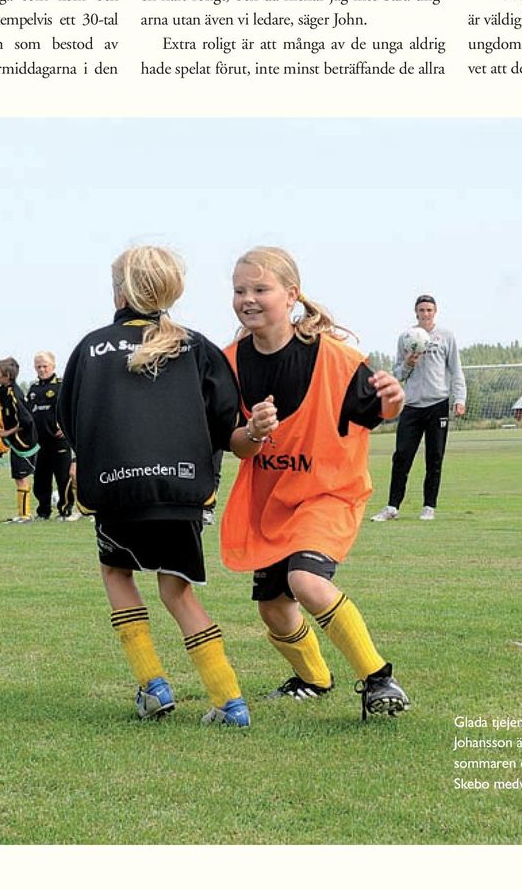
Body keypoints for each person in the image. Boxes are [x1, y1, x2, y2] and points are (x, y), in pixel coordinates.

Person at [57, 245, 249, 727]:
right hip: (182, 494)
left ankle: (153, 685)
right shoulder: (196, 346)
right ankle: (230, 702)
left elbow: (70, 418)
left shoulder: (91, 348)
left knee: (118, 575)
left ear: (121, 289)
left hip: (118, 493)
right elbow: (225, 418)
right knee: (177, 592)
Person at [221, 246, 409, 720]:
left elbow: (377, 412)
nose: (248, 298)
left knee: (305, 581)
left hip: (329, 493)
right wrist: (253, 433)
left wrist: (393, 401)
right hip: (272, 502)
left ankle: (379, 679)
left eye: (260, 289)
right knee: (273, 609)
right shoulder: (227, 363)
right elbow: (235, 445)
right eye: (239, 290)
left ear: (291, 295)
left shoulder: (339, 361)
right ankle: (313, 679)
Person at [370, 294, 467, 522]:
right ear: (416, 312)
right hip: (412, 405)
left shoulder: (446, 337)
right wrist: (408, 363)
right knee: (402, 456)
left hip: (438, 404)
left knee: (435, 457)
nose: (425, 314)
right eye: (421, 310)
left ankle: (428, 507)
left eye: (429, 310)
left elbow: (456, 370)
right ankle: (392, 507)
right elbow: (396, 375)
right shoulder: (406, 337)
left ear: (435, 312)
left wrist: (459, 398)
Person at [28, 351, 77, 521]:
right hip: (40, 442)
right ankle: (43, 511)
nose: (42, 369)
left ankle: (65, 510)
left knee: (63, 477)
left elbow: (73, 408)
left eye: (45, 366)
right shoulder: (33, 389)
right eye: (38, 366)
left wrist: (67, 427)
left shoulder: (62, 386)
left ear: (53, 366)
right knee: (41, 479)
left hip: (59, 442)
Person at [0, 357, 39, 523]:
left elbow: (26, 421)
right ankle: (22, 513)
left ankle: (25, 515)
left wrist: (7, 433)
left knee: (22, 478)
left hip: (24, 443)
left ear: (6, 375)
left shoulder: (15, 393)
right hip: (15, 443)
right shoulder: (3, 391)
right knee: (18, 478)